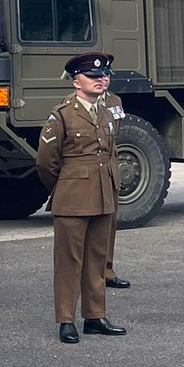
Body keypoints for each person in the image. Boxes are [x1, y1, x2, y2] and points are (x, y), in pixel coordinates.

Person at [36, 53, 127, 344]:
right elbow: (46, 163)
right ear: (77, 82)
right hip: (73, 196)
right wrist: (65, 186)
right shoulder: (62, 114)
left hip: (103, 193)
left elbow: (110, 150)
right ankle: (66, 319)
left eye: (104, 75)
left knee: (97, 259)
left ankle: (95, 316)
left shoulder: (108, 109)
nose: (102, 79)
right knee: (69, 261)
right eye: (93, 76)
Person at [61, 69, 130, 289]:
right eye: (98, 75)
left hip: (109, 169)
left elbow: (115, 133)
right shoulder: (71, 104)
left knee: (108, 225)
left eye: (107, 74)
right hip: (85, 175)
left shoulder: (114, 100)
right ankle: (86, 273)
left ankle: (107, 270)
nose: (104, 79)